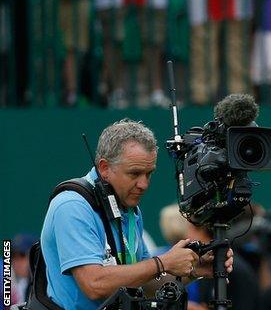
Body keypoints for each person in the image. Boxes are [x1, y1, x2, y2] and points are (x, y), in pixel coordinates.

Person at [40, 119, 233, 309]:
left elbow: (141, 283)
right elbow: (94, 284)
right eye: (134, 174)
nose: (144, 184)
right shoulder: (72, 206)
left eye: (149, 173)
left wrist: (193, 269)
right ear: (104, 168)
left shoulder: (129, 208)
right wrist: (162, 262)